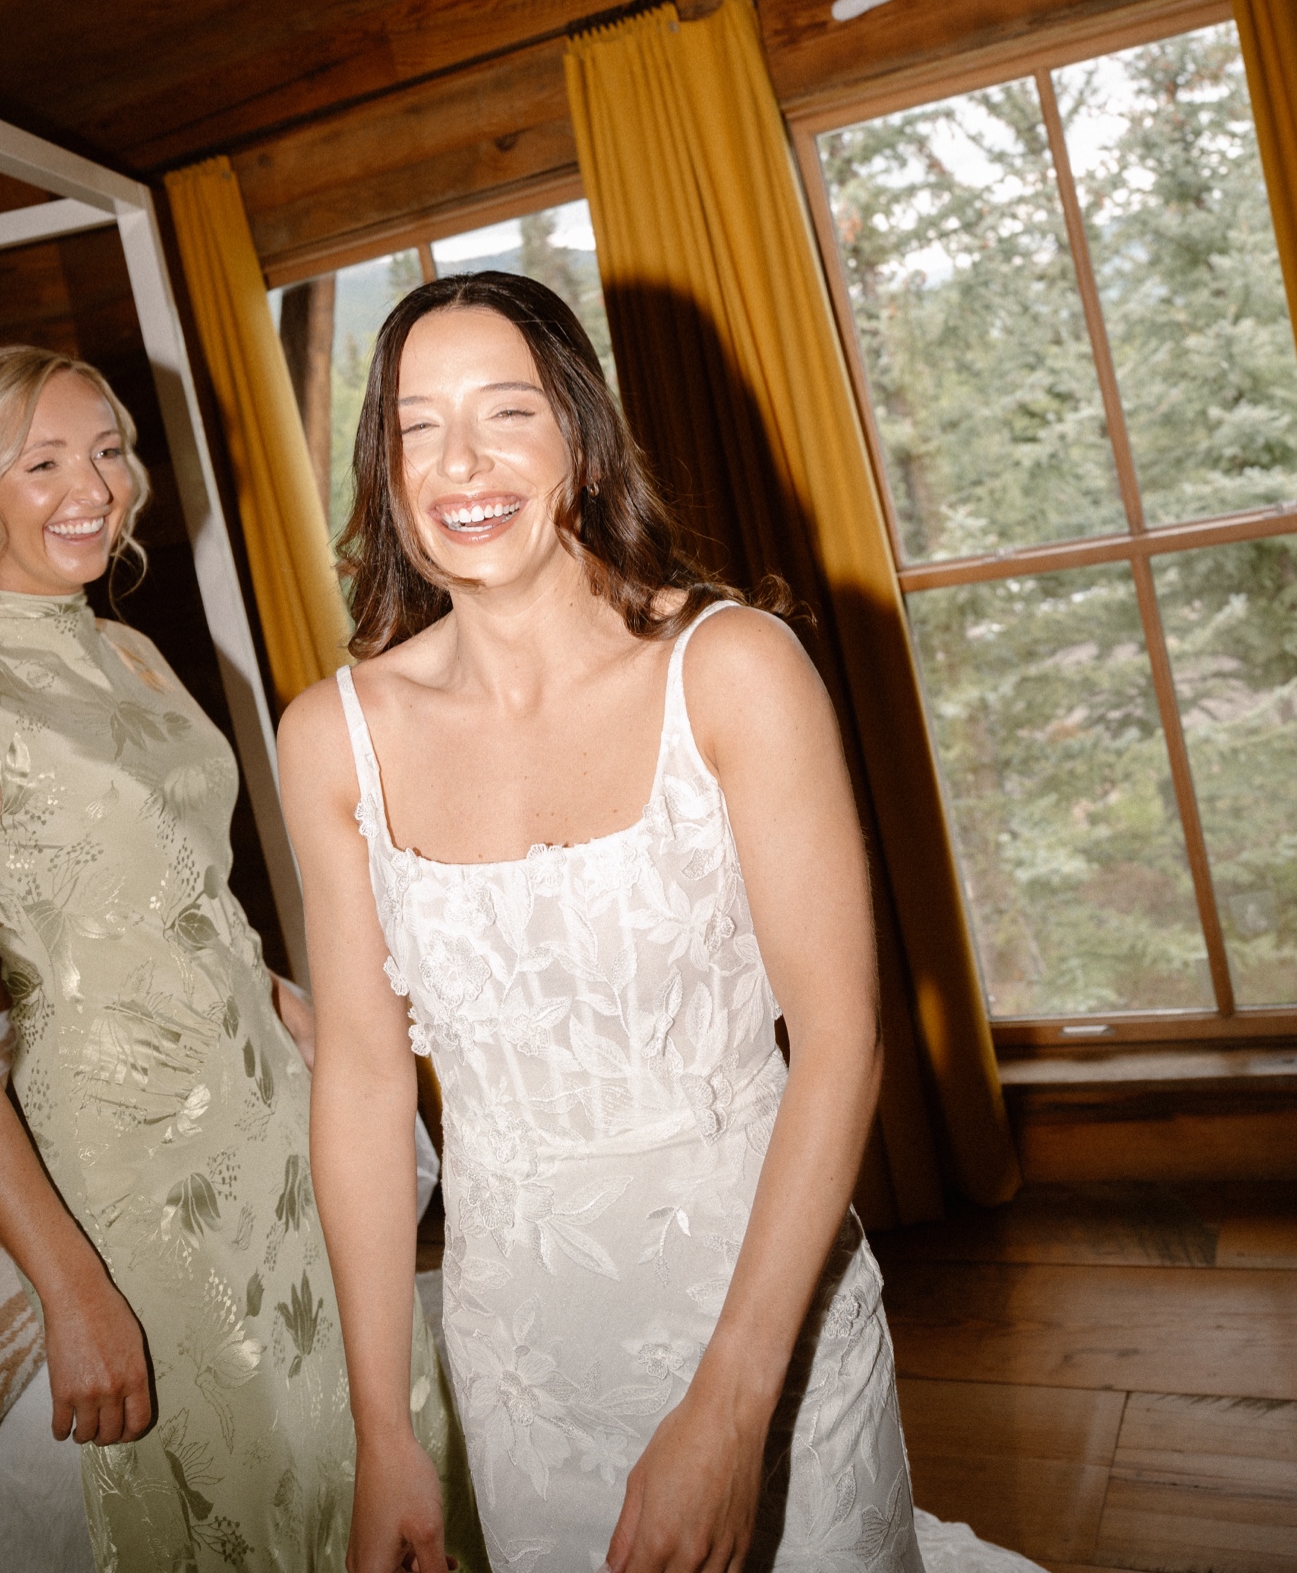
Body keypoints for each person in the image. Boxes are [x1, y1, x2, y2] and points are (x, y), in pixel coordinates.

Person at [279, 273, 1045, 1573]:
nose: (457, 461)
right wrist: (387, 1431)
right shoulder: (334, 739)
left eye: (503, 412)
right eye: (415, 426)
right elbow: (360, 1081)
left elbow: (842, 1035)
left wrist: (735, 1405)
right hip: (521, 1356)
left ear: (580, 434)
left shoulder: (736, 671)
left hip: (759, 1318)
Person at [0, 345, 486, 1572]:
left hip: (266, 1111)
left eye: (109, 450)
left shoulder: (133, 650)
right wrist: (71, 1285)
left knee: (371, 1421)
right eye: (42, 458)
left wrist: (281, 996)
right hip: (125, 1163)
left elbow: (173, 885)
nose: (93, 485)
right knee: (250, 1468)